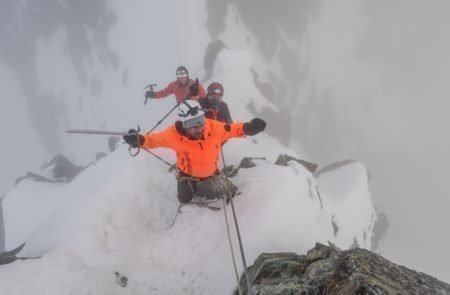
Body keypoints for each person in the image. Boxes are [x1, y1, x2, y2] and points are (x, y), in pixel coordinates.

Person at [123, 100, 266, 204]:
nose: (199, 128)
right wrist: (139, 140)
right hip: (188, 175)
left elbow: (234, 129)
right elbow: (153, 140)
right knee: (184, 199)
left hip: (210, 172)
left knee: (228, 191)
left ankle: (209, 181)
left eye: (201, 122)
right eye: (193, 125)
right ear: (184, 125)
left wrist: (249, 128)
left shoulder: (214, 128)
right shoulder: (173, 135)